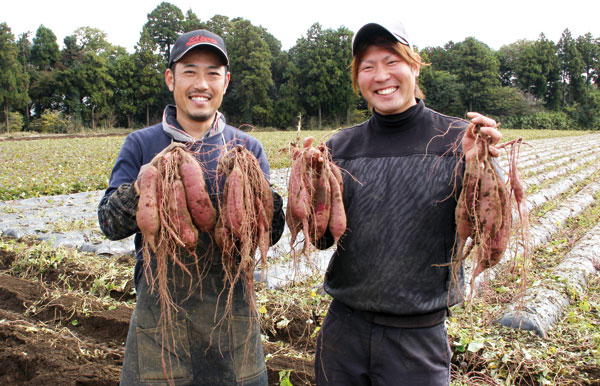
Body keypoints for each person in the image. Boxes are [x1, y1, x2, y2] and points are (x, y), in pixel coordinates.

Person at [313, 20, 503, 386]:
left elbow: (484, 230)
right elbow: (321, 238)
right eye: (367, 67)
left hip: (418, 336)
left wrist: (482, 166)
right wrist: (310, 187)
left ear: (414, 66)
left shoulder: (456, 140)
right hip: (343, 332)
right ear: (358, 80)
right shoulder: (340, 147)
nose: (381, 75)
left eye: (391, 61)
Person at [98, 29, 284, 386]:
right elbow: (109, 223)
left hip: (233, 316)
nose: (202, 83)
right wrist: (144, 186)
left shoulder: (247, 148)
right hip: (160, 317)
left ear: (225, 82)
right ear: (171, 79)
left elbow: (269, 235)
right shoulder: (141, 144)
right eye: (189, 71)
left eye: (212, 73)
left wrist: (263, 196)